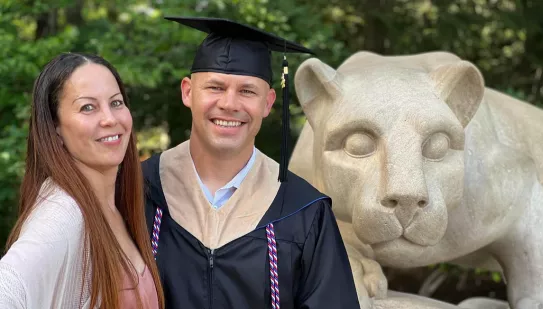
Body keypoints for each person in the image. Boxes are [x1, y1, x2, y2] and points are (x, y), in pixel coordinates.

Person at [142, 16, 361, 308]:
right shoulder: (137, 190)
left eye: (247, 91)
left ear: (268, 103)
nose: (230, 104)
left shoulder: (304, 210)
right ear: (188, 92)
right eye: (215, 87)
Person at [0, 52, 164, 309]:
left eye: (116, 103)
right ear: (55, 127)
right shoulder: (63, 214)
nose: (110, 118)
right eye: (88, 107)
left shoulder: (117, 206)